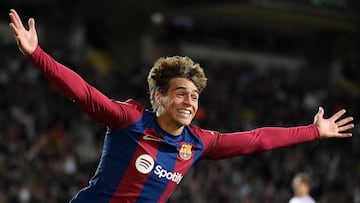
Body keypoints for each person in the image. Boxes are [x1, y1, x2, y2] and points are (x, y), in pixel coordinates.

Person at [8, 9, 354, 203]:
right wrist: (37, 55)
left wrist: (313, 131)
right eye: (181, 93)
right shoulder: (129, 120)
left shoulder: (199, 143)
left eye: (194, 95)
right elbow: (84, 92)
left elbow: (256, 139)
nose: (189, 101)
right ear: (159, 97)